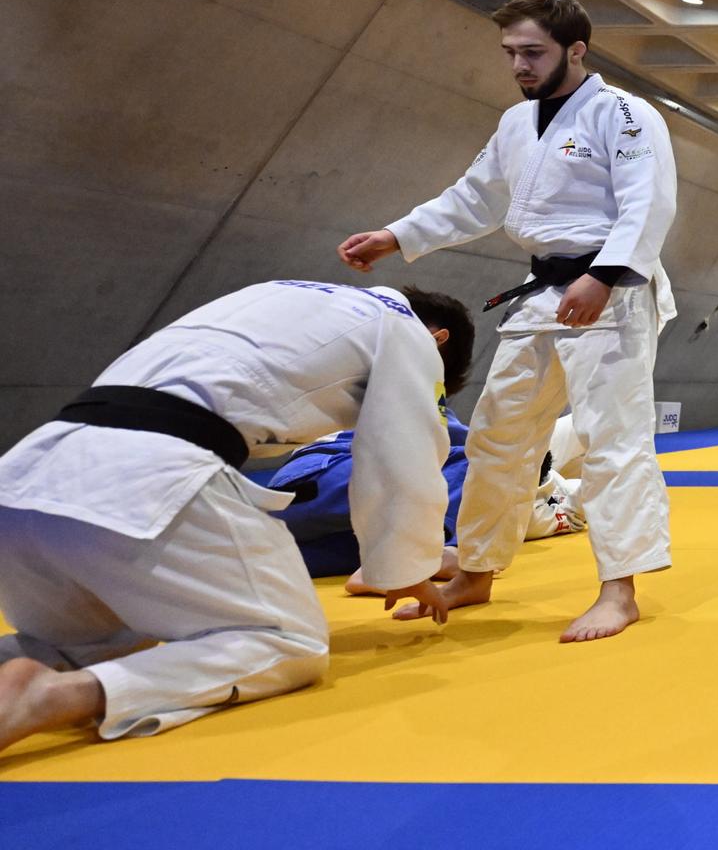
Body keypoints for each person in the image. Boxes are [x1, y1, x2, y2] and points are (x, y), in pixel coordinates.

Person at [0, 280, 472, 755]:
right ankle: (53, 695)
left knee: (86, 647)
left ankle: (39, 673)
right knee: (288, 643)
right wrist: (407, 568)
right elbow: (404, 452)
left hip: (27, 474)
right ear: (438, 341)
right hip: (148, 472)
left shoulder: (279, 296)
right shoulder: (404, 330)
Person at [338, 0, 678, 643]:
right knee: (499, 434)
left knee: (613, 438)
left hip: (611, 288)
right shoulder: (517, 124)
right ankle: (476, 571)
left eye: (533, 52)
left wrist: (603, 277)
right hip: (543, 288)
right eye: (511, 53)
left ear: (575, 50)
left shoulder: (626, 114)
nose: (520, 65)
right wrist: (397, 235)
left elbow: (649, 203)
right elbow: (474, 198)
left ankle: (619, 591)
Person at [258, 409, 587, 585]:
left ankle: (399, 563)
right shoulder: (407, 400)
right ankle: (440, 554)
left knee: (287, 558)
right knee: (482, 464)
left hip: (302, 504)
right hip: (324, 478)